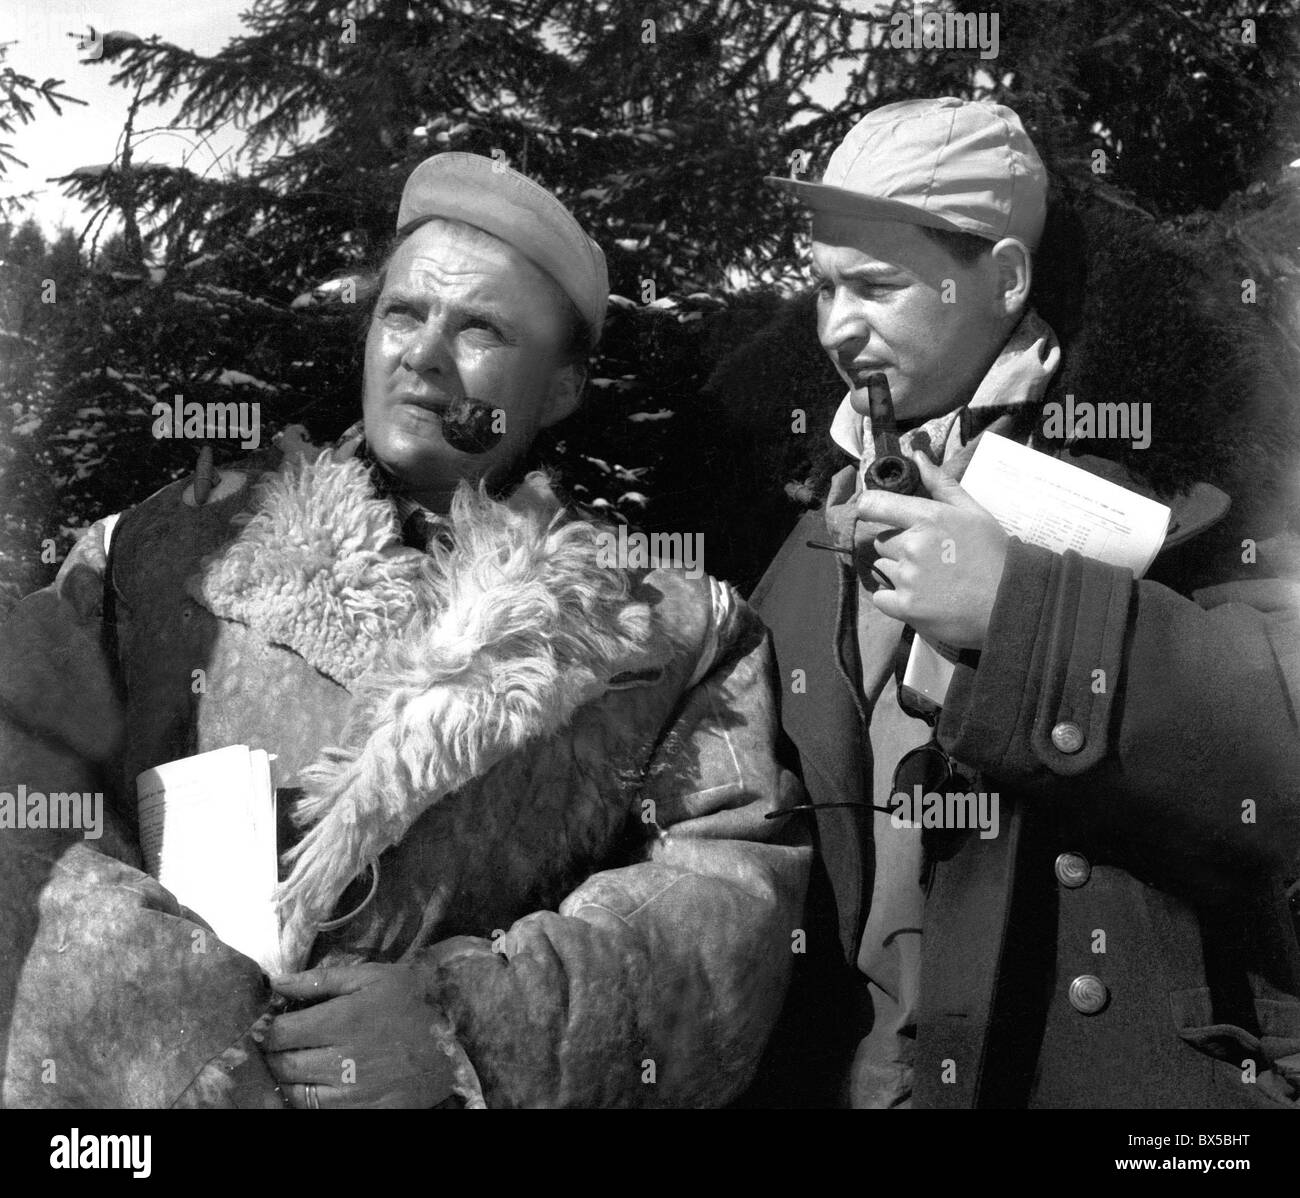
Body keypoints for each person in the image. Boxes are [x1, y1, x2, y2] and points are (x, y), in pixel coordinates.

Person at [0, 152, 809, 1109]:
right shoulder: (156, 549)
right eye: (403, 313)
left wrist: (465, 1030)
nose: (423, 353)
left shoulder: (668, 627)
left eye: (481, 330)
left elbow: (726, 908)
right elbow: (19, 782)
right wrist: (181, 1030)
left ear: (557, 391)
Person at [750, 97, 1300, 1108]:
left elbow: (1280, 756)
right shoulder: (805, 512)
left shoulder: (1198, 462)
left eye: (874, 284)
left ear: (1003, 279)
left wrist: (1022, 608)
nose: (833, 326)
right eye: (823, 286)